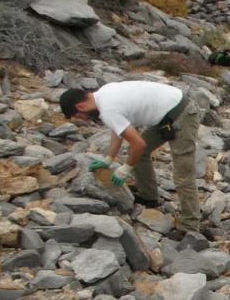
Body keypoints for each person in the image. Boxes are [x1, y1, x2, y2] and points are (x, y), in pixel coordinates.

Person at [59, 81, 201, 236]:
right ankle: (149, 197)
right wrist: (109, 158)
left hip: (182, 113)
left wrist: (125, 169)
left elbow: (138, 144)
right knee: (140, 154)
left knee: (182, 175)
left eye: (78, 116)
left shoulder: (107, 108)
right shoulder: (103, 94)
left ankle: (190, 227)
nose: (84, 120)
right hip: (166, 112)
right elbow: (118, 129)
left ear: (80, 106)